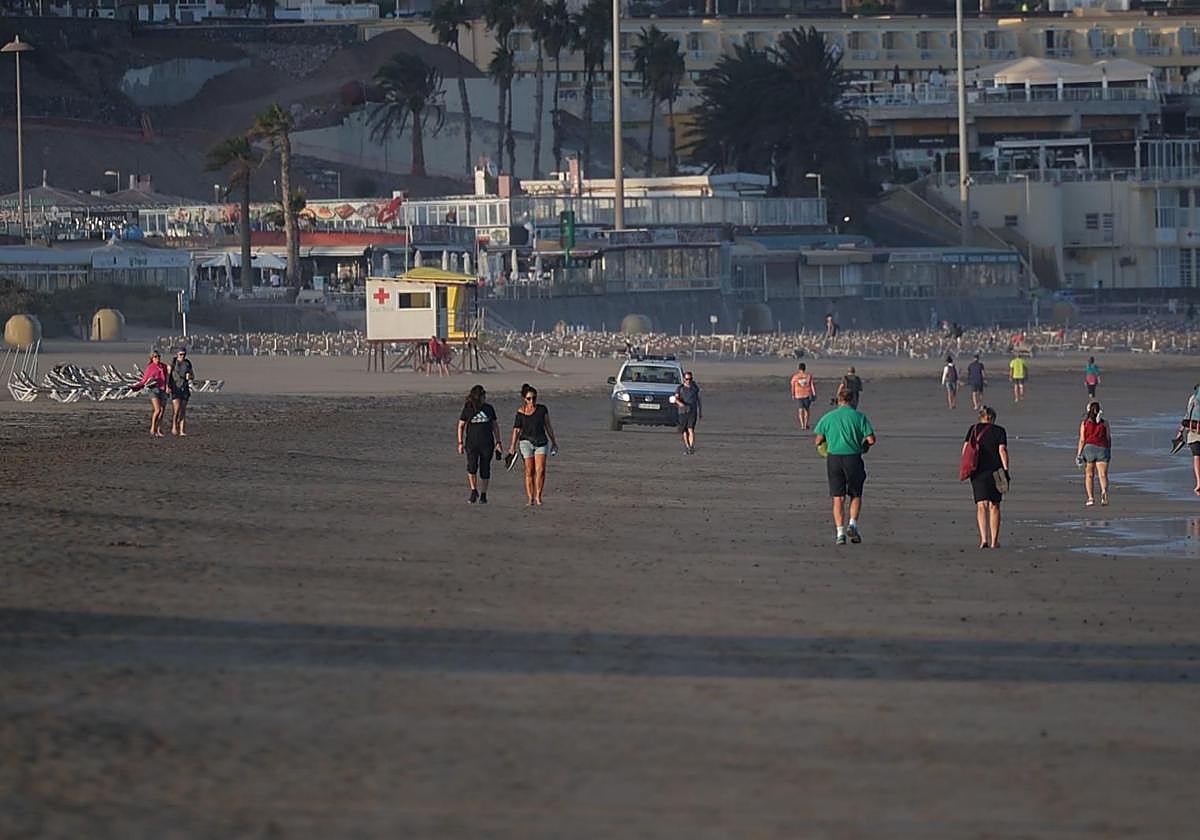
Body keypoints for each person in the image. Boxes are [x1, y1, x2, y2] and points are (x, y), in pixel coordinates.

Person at [813, 386, 877, 546]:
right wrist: (862, 445)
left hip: (834, 459)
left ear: (839, 400)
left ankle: (840, 533)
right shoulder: (859, 417)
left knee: (838, 497)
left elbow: (818, 440)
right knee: (855, 494)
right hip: (853, 458)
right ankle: (853, 524)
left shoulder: (828, 417)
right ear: (852, 400)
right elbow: (871, 440)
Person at [963, 406, 1010, 549]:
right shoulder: (999, 431)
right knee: (994, 505)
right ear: (993, 418)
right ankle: (994, 542)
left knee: (981, 505)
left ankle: (984, 539)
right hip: (995, 471)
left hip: (977, 471)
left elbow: (965, 449)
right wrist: (1006, 470)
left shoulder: (973, 429)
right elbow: (1002, 450)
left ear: (981, 417)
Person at [508, 384, 558, 506]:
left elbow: (548, 426)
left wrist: (554, 442)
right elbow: (516, 430)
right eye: (529, 398)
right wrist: (512, 447)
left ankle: (538, 496)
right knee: (529, 471)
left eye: (534, 398)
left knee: (540, 470)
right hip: (526, 443)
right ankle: (530, 498)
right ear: (524, 399)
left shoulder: (542, 409)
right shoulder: (520, 412)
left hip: (541, 442)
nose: (532, 401)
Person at [457, 384, 503, 504]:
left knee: (485, 469)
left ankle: (483, 494)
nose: (485, 398)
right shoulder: (468, 408)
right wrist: (460, 443)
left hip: (487, 444)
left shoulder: (489, 408)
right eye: (483, 395)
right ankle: (473, 490)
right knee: (472, 467)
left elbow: (495, 426)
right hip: (471, 444)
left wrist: (498, 442)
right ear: (478, 397)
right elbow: (461, 426)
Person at [1075, 400, 1111, 507]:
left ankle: (1090, 498)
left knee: (1089, 475)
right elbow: (1108, 438)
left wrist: (1079, 454)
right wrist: (1108, 450)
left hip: (1089, 449)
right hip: (1102, 449)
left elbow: (1082, 440)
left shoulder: (1084, 423)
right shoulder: (1105, 423)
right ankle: (1104, 492)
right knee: (1103, 474)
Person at [129, 351, 170, 438]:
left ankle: (159, 430)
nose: (157, 358)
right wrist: (137, 387)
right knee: (157, 410)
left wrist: (168, 386)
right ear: (152, 358)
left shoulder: (163, 366)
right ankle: (152, 428)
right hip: (153, 390)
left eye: (158, 356)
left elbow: (167, 377)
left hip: (163, 390)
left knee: (162, 412)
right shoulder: (150, 368)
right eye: (155, 357)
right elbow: (144, 380)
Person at [167, 347, 195, 437]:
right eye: (180, 354)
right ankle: (174, 426)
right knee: (177, 409)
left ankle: (182, 430)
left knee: (183, 410)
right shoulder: (173, 363)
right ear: (177, 354)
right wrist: (168, 386)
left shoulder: (187, 363)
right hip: (175, 388)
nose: (182, 356)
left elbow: (192, 375)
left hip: (184, 388)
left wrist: (189, 376)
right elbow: (169, 375)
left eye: (184, 354)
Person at [675, 371, 702, 454]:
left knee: (690, 429)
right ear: (684, 379)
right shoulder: (680, 388)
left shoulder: (695, 388)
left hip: (692, 411)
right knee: (684, 430)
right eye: (687, 379)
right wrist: (680, 403)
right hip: (682, 412)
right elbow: (676, 398)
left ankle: (691, 447)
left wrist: (700, 411)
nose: (688, 381)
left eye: (690, 379)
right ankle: (687, 446)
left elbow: (698, 400)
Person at [790, 362, 817, 430]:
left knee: (800, 410)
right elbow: (812, 385)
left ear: (799, 369)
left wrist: (793, 394)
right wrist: (814, 393)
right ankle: (806, 424)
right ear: (805, 368)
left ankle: (802, 425)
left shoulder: (795, 376)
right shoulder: (808, 376)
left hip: (799, 395)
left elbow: (792, 385)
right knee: (806, 410)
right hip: (807, 394)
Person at [1185, 384, 1200, 496]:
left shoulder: (1192, 398)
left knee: (1197, 457)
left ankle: (1199, 483)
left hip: (1193, 431)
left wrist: (1180, 431)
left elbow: (1187, 416)